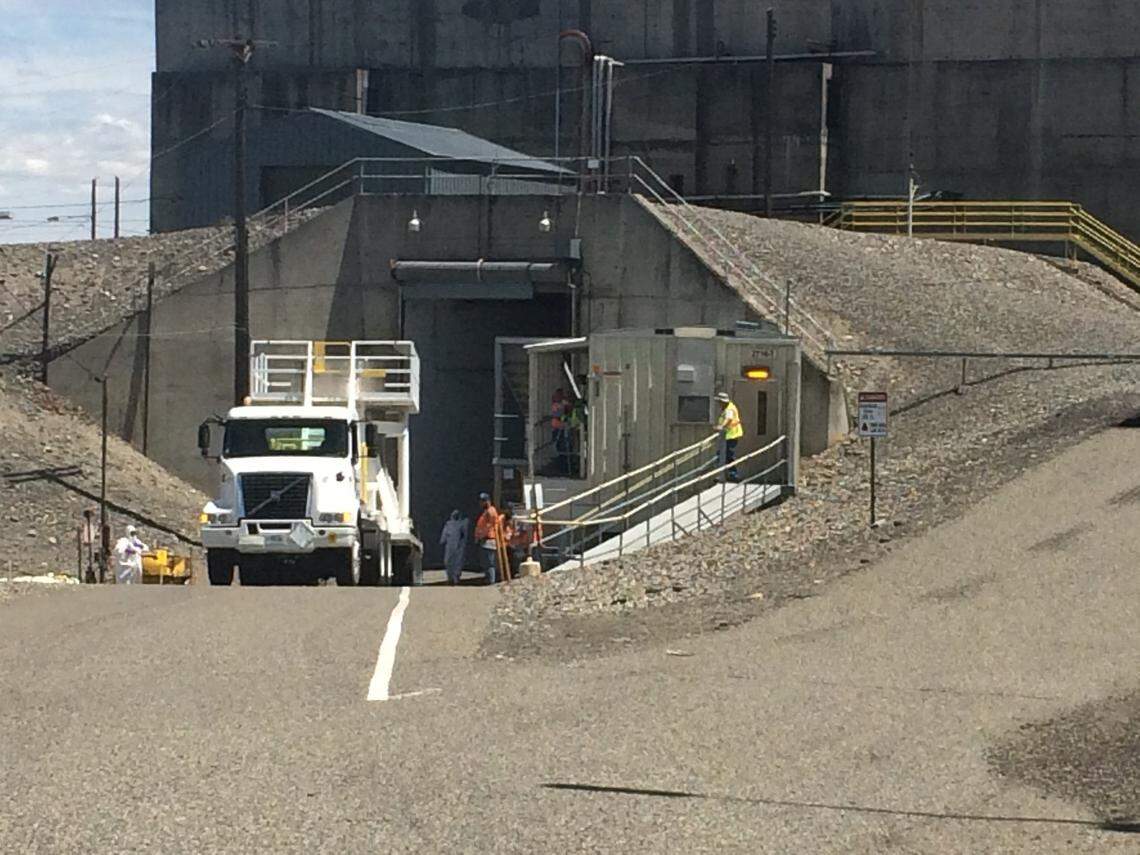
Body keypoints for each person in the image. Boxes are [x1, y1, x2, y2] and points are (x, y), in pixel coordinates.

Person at [716, 391, 744, 482]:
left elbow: (729, 419)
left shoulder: (729, 409)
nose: (719, 404)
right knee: (723, 454)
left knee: (728, 454)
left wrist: (721, 426)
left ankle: (733, 474)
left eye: (719, 402)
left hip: (731, 435)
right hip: (728, 435)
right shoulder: (728, 407)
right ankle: (723, 473)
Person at [474, 493, 501, 585]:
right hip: (484, 540)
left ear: (488, 501)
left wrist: (481, 535)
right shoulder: (485, 512)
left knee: (490, 562)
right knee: (485, 562)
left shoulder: (491, 511)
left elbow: (491, 525)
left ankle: (491, 581)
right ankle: (488, 578)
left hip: (489, 540)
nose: (481, 503)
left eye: (483, 501)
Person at [438, 510, 468, 586]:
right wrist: (442, 540)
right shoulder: (448, 524)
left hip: (458, 546)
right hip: (450, 546)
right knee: (448, 562)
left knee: (457, 563)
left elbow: (464, 535)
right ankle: (450, 578)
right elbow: (445, 534)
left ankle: (455, 578)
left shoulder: (462, 524)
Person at [550, 389, 570, 475]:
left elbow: (565, 412)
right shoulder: (556, 405)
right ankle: (560, 464)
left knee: (563, 446)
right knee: (558, 446)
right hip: (557, 427)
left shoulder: (563, 404)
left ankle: (564, 465)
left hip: (562, 428)